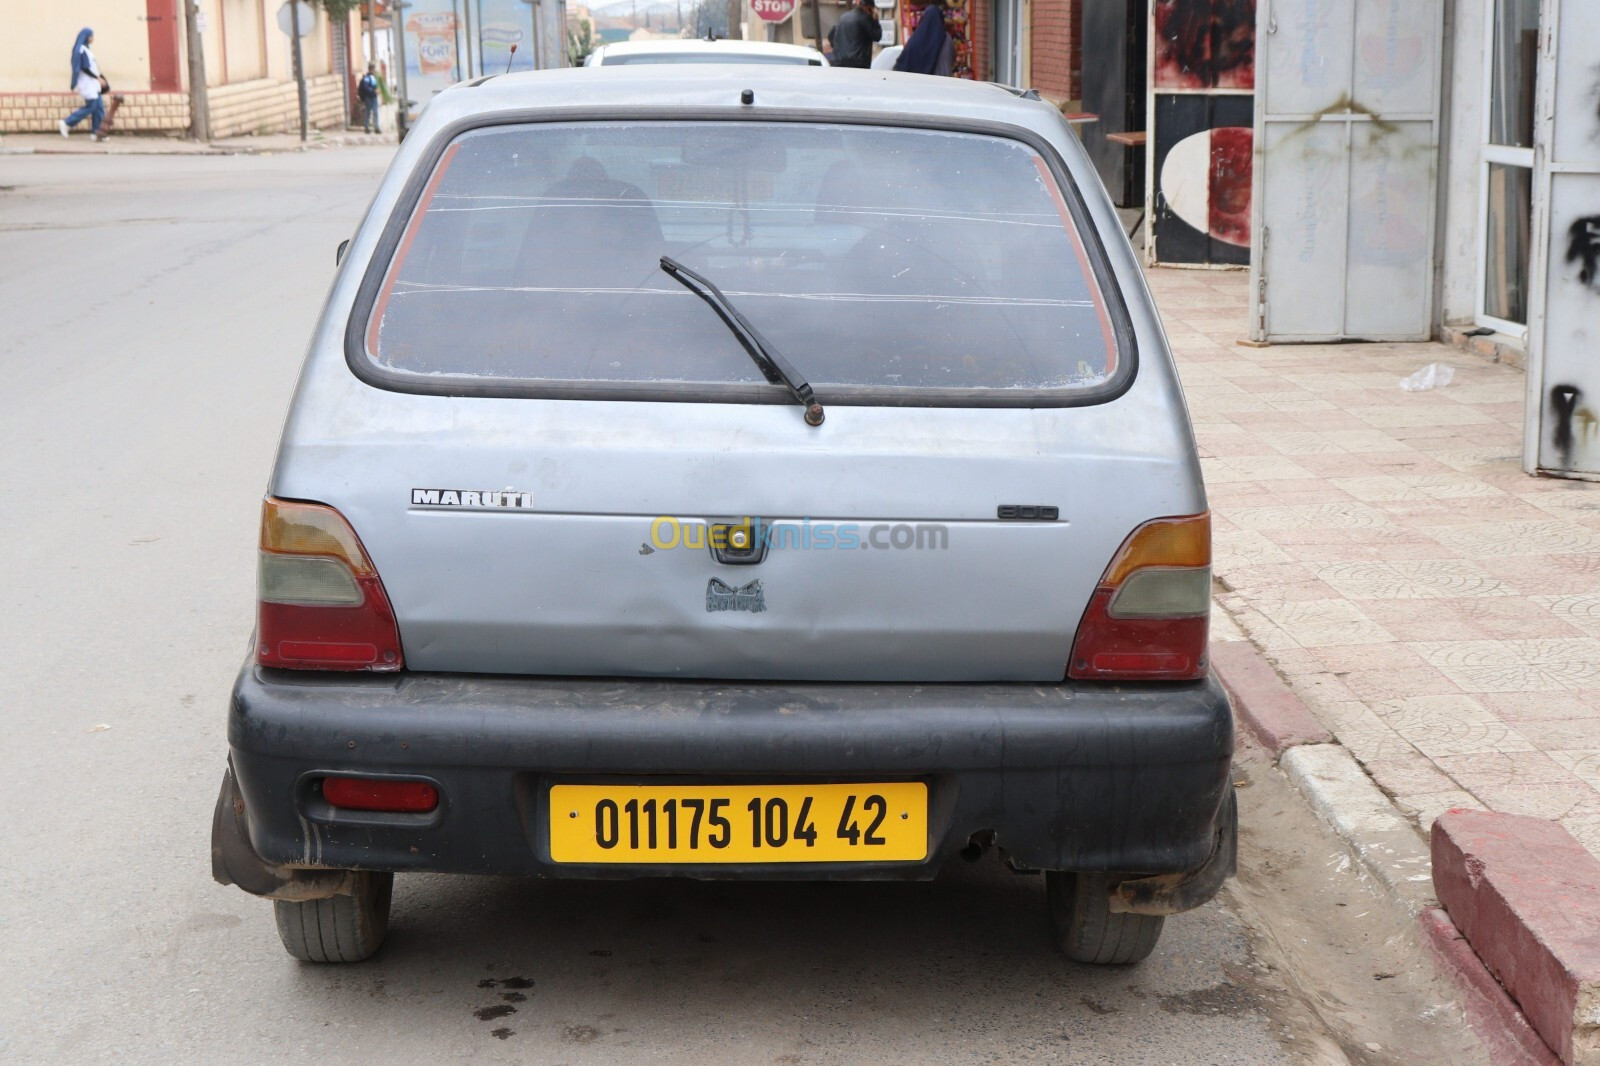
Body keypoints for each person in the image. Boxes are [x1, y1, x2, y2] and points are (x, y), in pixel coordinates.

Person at [60, 28, 108, 141]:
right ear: (87, 37)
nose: (93, 38)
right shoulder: (82, 50)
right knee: (92, 106)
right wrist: (98, 78)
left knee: (99, 107)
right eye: (92, 36)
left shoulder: (87, 49)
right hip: (87, 84)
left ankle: (97, 132)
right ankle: (67, 122)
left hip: (93, 84)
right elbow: (85, 68)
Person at [893, 0, 952, 76]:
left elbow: (904, 63)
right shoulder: (946, 39)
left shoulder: (917, 38)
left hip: (920, 82)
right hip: (941, 82)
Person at [827, 0, 882, 70]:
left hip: (838, 61)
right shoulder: (865, 18)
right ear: (869, 7)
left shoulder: (843, 17)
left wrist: (838, 48)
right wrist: (875, 21)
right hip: (858, 63)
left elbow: (831, 36)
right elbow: (877, 36)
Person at [357, 64, 381, 134]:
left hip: (374, 97)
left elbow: (376, 85)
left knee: (375, 112)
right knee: (368, 112)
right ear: (370, 69)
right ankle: (366, 127)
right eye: (373, 69)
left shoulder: (374, 77)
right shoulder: (367, 77)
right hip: (369, 97)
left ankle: (376, 127)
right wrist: (373, 91)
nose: (374, 70)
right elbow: (366, 87)